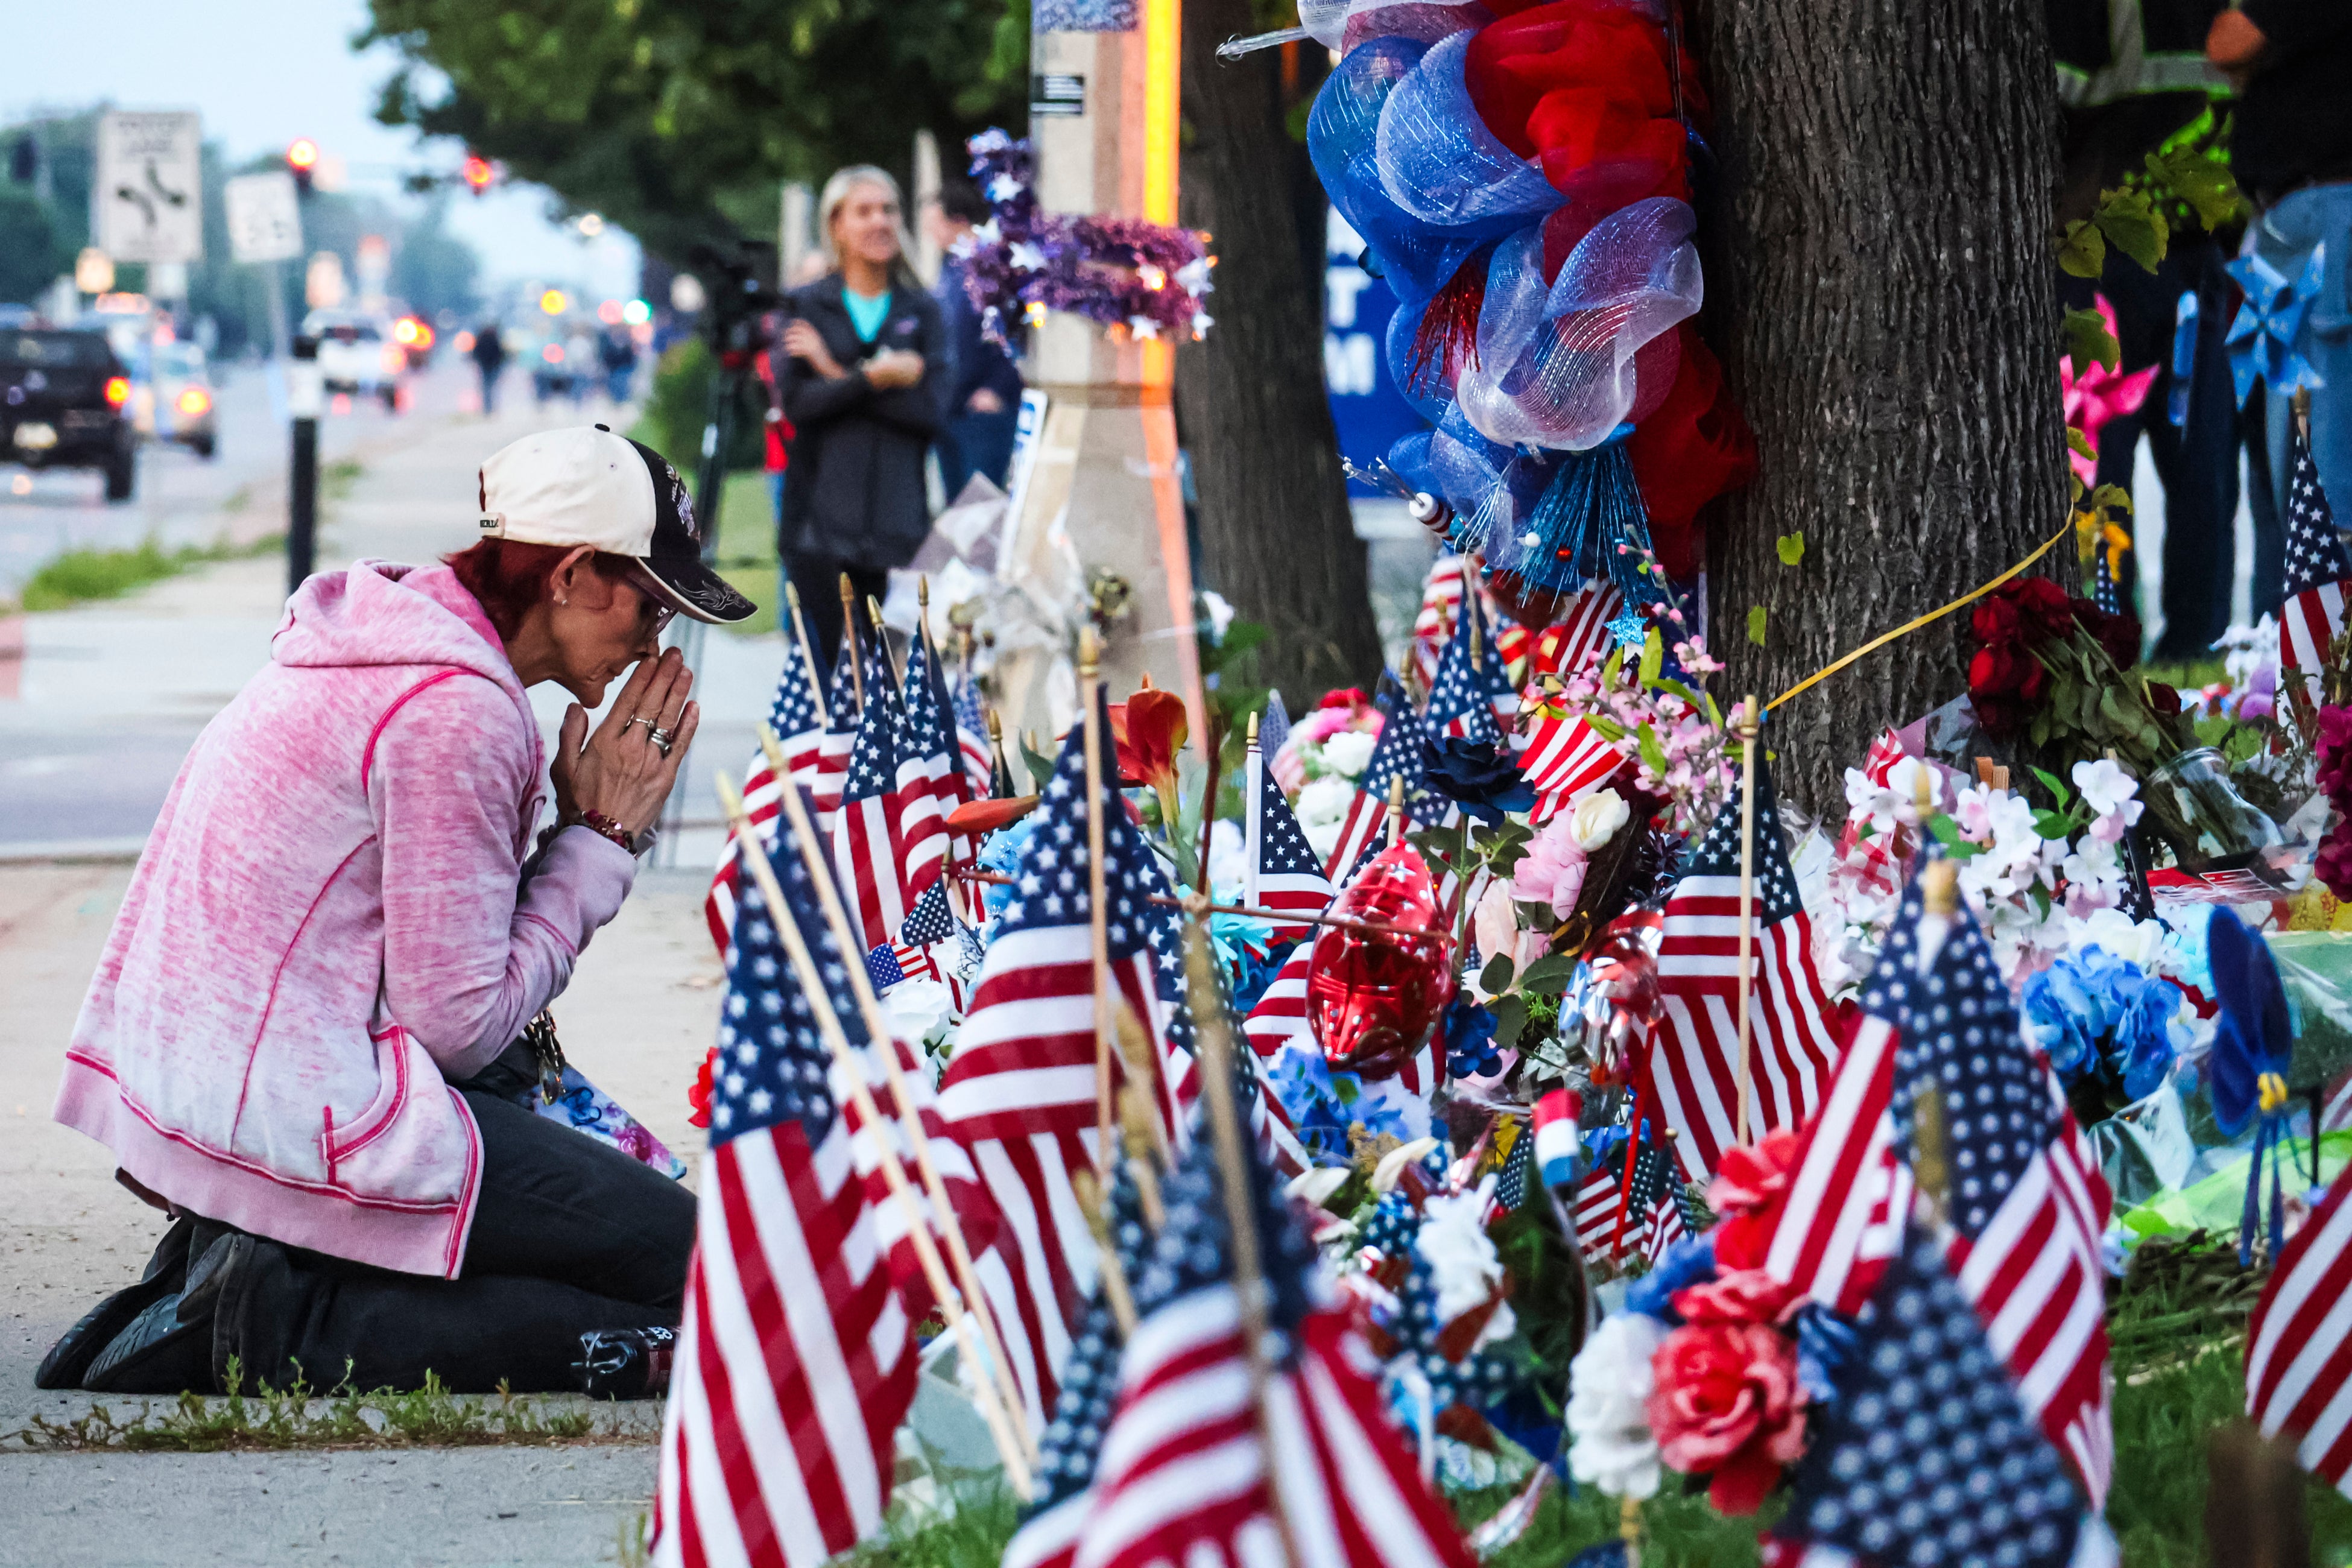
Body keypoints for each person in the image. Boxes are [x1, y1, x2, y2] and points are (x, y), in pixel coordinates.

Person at [39, 425, 756, 1399]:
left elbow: (440, 976)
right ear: (575, 574)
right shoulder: (455, 709)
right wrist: (600, 844)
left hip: (245, 1093)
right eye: (649, 602)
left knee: (645, 1253)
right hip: (305, 1113)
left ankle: (273, 1259)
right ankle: (286, 1316)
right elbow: (457, 1028)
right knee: (694, 1274)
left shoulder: (402, 645)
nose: (656, 639)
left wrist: (570, 841)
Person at [777, 164, 949, 672]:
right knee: (832, 688)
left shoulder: (924, 310)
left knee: (896, 687)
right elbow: (799, 406)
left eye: (889, 210)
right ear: (836, 226)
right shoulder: (806, 306)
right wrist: (875, 378)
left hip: (900, 531)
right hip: (819, 530)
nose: (880, 221)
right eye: (864, 211)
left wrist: (833, 373)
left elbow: (932, 412)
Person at [2210, 2, 2352, 514]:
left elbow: (2227, 43)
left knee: (2326, 486)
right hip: (2291, 228)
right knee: (2290, 482)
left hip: (2329, 221)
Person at [926, 179, 1025, 498]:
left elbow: (1018, 328)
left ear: (957, 220)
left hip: (982, 412)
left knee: (981, 506)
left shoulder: (991, 267)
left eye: (934, 221)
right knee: (956, 512)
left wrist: (999, 388)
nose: (930, 231)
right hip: (951, 410)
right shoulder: (949, 270)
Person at [469, 320, 508, 414]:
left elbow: (475, 353)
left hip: (485, 367)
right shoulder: (496, 339)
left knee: (487, 388)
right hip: (493, 367)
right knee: (492, 387)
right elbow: (501, 354)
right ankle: (490, 408)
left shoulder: (481, 339)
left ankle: (488, 408)